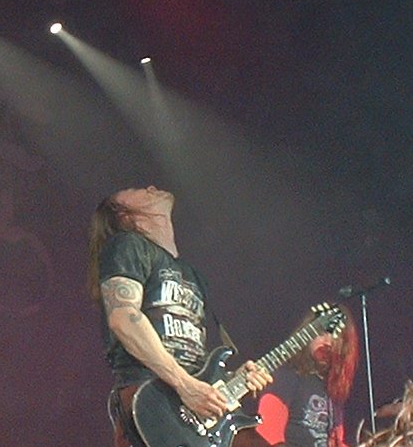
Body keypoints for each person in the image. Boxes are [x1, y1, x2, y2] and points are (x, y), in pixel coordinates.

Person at [86, 185, 273, 447]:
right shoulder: (127, 245)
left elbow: (196, 355)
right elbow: (124, 319)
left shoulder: (191, 274)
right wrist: (185, 385)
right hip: (153, 397)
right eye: (136, 189)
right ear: (126, 216)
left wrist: (233, 381)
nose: (150, 187)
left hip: (195, 406)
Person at [250, 306, 359, 447]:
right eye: (322, 332)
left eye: (336, 336)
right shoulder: (286, 376)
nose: (328, 341)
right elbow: (267, 434)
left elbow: (337, 441)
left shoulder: (333, 389)